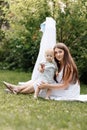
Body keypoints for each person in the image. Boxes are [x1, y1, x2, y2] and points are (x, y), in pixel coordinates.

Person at [3, 43, 80, 100]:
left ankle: (17, 89)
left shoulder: (69, 67)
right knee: (39, 81)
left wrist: (47, 86)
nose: (58, 54)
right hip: (60, 87)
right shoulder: (58, 64)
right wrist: (42, 70)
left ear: (65, 53)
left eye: (60, 52)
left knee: (40, 85)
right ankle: (16, 89)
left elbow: (65, 85)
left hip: (68, 91)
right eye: (56, 52)